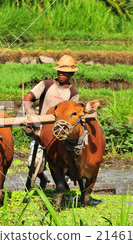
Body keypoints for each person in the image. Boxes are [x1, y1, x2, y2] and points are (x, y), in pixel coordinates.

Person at [23, 55, 80, 190]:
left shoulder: (73, 94)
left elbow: (73, 115)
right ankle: (42, 177)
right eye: (59, 72)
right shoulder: (46, 85)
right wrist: (29, 111)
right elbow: (28, 97)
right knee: (35, 163)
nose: (61, 75)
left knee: (63, 162)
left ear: (71, 74)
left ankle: (61, 181)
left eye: (64, 73)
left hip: (60, 134)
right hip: (41, 129)